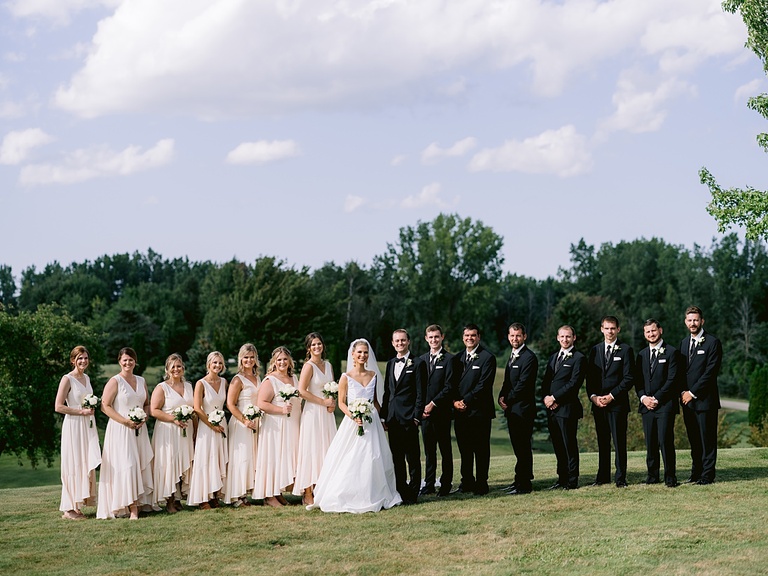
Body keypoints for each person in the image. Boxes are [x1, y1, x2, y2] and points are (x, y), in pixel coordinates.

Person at [310, 338, 402, 513]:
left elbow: (374, 401)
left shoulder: (373, 375)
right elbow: (342, 403)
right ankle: (348, 494)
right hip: (353, 422)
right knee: (351, 457)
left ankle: (374, 492)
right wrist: (354, 416)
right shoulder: (345, 377)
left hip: (372, 422)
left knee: (374, 456)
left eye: (365, 352)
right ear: (352, 355)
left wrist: (383, 419)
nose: (362, 355)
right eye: (359, 352)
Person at [97, 347, 154, 519]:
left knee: (140, 464)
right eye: (124, 360)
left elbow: (147, 403)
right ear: (119, 361)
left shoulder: (141, 380)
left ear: (135, 361)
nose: (128, 363)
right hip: (121, 430)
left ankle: (141, 503)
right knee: (127, 466)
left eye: (131, 359)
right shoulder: (115, 381)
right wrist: (125, 421)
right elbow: (105, 406)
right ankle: (132, 508)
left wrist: (144, 417)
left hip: (139, 429)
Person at [585, 316, 635, 488]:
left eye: (613, 328)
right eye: (607, 328)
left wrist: (611, 396)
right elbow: (590, 378)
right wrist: (593, 397)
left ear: (618, 329)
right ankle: (602, 477)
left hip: (617, 404)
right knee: (602, 441)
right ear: (601, 329)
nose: (610, 331)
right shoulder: (595, 350)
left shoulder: (626, 350)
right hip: (598, 404)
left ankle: (620, 478)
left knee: (619, 442)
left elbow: (629, 378)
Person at [54, 345, 101, 520]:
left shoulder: (87, 378)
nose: (83, 361)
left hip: (87, 424)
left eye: (86, 358)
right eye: (80, 358)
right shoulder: (67, 379)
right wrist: (81, 411)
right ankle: (68, 508)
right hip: (74, 425)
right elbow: (58, 406)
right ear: (73, 360)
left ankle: (78, 504)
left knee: (84, 461)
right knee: (73, 463)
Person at [382, 328, 426, 504]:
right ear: (393, 343)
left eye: (403, 340)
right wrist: (384, 416)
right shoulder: (391, 363)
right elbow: (387, 392)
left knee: (413, 458)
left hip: (409, 418)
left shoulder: (418, 363)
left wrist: (416, 417)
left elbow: (421, 393)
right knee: (397, 459)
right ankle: (401, 490)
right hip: (392, 419)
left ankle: (413, 493)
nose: (400, 343)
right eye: (397, 341)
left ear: (408, 342)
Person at [452, 323, 497, 496]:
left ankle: (481, 483)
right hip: (460, 411)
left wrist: (466, 401)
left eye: (473, 335)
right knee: (464, 449)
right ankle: (467, 481)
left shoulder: (487, 358)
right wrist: (455, 401)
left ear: (478, 337)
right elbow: (451, 384)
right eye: (466, 335)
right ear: (463, 337)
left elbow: (483, 385)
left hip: (479, 411)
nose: (469, 338)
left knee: (481, 449)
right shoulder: (457, 359)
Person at [253, 346, 301, 508]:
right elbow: (261, 403)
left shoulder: (294, 379)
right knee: (273, 458)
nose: (282, 362)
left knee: (284, 457)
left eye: (285, 359)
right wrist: (281, 409)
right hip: (275, 425)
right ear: (274, 362)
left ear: (290, 361)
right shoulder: (270, 380)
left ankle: (277, 492)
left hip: (291, 424)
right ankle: (268, 496)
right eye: (279, 360)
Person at [293, 333, 337, 506]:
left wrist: (332, 402)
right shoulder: (308, 366)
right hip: (312, 412)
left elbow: (332, 387)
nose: (317, 347)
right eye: (313, 345)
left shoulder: (328, 365)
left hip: (326, 413)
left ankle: (322, 486)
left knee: (326, 449)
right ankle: (308, 491)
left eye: (319, 344)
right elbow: (302, 391)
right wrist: (322, 402)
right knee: (312, 448)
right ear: (308, 348)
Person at [680, 306, 722, 485]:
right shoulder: (683, 343)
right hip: (687, 402)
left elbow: (710, 373)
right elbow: (681, 372)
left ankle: (707, 475)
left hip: (706, 401)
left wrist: (692, 392)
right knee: (694, 440)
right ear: (685, 322)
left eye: (696, 320)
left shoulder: (712, 342)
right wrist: (683, 392)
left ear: (702, 321)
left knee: (707, 440)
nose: (693, 323)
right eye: (690, 320)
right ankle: (695, 473)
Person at [635, 319, 680, 488]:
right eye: (647, 332)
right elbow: (637, 380)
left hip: (665, 405)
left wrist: (657, 398)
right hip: (646, 405)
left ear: (660, 330)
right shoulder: (641, 355)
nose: (651, 334)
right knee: (651, 441)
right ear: (644, 334)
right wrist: (643, 398)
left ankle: (670, 477)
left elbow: (672, 379)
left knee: (665, 440)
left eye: (653, 331)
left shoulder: (671, 352)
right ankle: (652, 476)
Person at [541, 325, 586, 490]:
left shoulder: (579, 358)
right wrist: (547, 398)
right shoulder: (553, 357)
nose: (565, 340)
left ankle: (572, 480)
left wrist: (555, 398)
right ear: (557, 338)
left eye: (568, 337)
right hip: (551, 409)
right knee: (558, 446)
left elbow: (574, 384)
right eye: (562, 336)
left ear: (574, 338)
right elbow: (547, 381)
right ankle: (561, 478)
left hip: (567, 409)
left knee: (569, 445)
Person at [150, 353, 195, 514]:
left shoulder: (189, 386)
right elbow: (153, 410)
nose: (176, 369)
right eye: (173, 367)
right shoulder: (162, 387)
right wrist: (173, 419)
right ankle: (168, 500)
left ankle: (178, 499)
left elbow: (194, 410)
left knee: (182, 462)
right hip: (168, 431)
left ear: (183, 368)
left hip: (186, 431)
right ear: (167, 370)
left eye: (179, 366)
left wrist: (195, 431)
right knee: (169, 464)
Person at [498, 323, 538, 495]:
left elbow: (523, 385)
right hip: (513, 410)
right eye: (512, 336)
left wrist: (507, 399)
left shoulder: (529, 357)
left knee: (523, 448)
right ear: (508, 337)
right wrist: (501, 396)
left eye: (518, 336)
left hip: (523, 410)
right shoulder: (512, 355)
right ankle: (518, 480)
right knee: (518, 447)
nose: (515, 339)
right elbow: (508, 382)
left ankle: (524, 485)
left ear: (524, 337)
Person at [188, 351, 228, 509]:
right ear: (208, 364)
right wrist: (212, 425)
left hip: (221, 423)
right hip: (207, 426)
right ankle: (203, 497)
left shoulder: (224, 382)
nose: (217, 366)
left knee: (218, 458)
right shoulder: (201, 383)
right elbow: (197, 408)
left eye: (220, 363)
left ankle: (215, 495)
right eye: (214, 363)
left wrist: (219, 424)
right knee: (206, 459)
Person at [419, 324, 455, 497]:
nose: (434, 340)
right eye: (430, 337)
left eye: (436, 337)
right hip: (424, 414)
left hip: (441, 412)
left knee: (445, 449)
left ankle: (446, 484)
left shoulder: (449, 360)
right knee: (429, 450)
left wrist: (432, 404)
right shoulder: (421, 360)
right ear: (426, 339)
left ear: (442, 337)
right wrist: (422, 408)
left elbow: (449, 387)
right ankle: (429, 483)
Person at [223, 343, 261, 507]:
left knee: (252, 457)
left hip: (256, 422)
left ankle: (246, 493)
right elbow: (230, 404)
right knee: (242, 458)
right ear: (241, 359)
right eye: (246, 357)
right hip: (241, 422)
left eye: (252, 357)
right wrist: (245, 420)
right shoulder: (237, 379)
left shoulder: (258, 377)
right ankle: (236, 496)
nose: (249, 360)